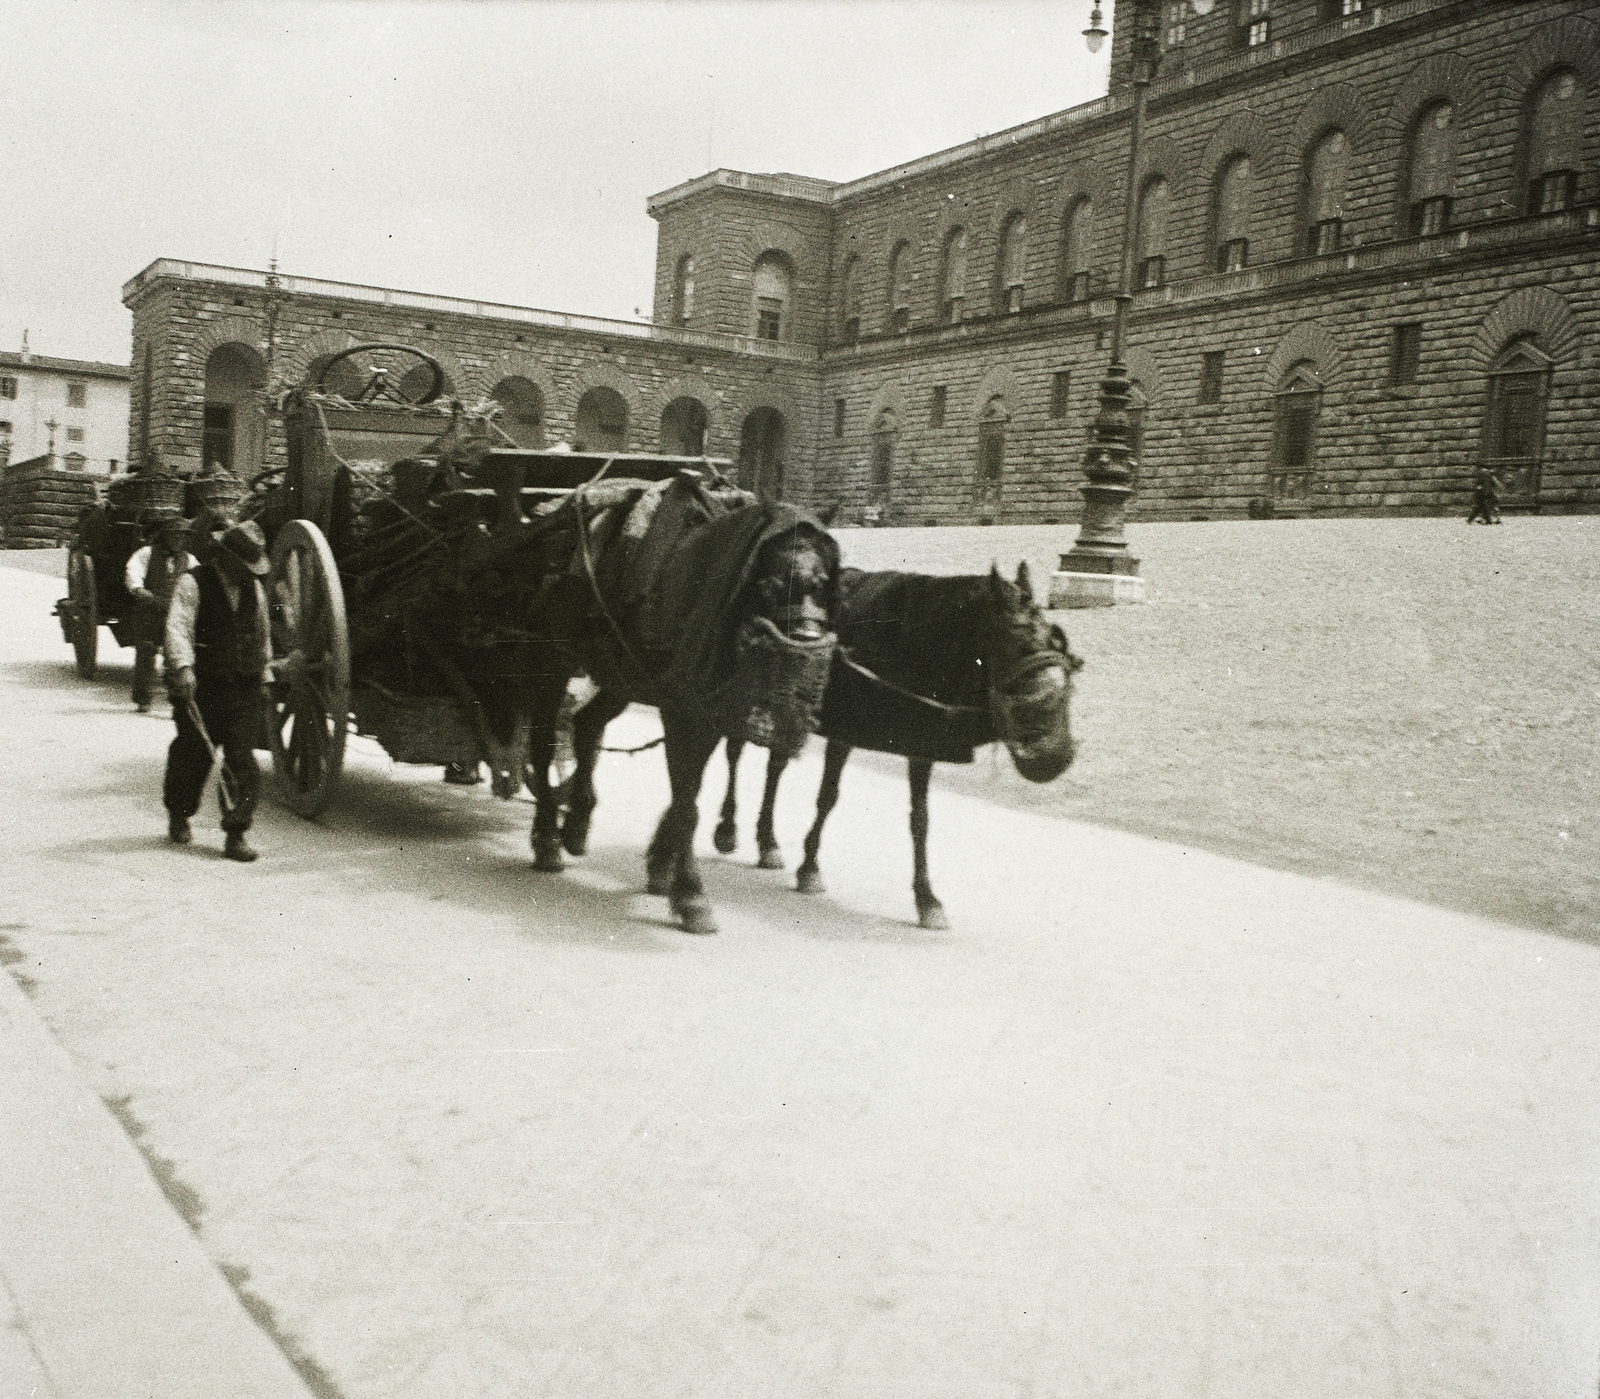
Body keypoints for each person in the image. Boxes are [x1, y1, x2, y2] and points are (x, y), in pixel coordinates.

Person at [163, 513, 272, 862]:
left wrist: (265, 675)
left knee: (242, 760)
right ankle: (179, 814)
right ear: (225, 558)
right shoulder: (193, 583)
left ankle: (236, 833)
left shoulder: (254, 588)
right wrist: (183, 668)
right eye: (244, 565)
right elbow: (178, 627)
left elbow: (262, 634)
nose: (248, 573)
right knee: (193, 756)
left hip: (243, 686)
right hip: (203, 687)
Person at [124, 517, 194, 711]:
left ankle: (177, 700)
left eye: (182, 536)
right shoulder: (146, 553)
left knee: (175, 655)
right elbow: (133, 571)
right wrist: (139, 590)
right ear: (165, 536)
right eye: (174, 535)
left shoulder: (189, 559)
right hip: (150, 611)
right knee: (146, 652)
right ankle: (143, 699)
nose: (178, 540)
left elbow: (196, 581)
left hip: (175, 613)